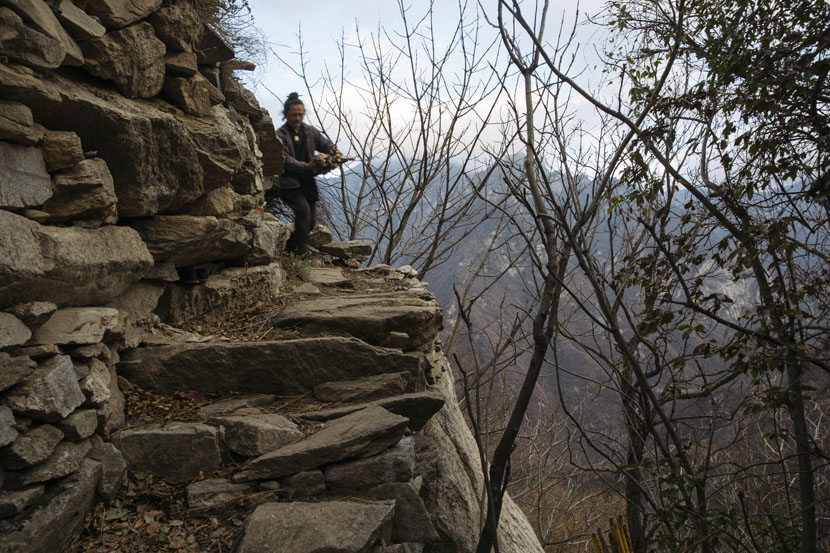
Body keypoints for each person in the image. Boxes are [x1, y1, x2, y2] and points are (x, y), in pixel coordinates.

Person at [266, 92, 336, 255]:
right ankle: (300, 250)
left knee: (310, 221)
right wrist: (306, 166)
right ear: (286, 115)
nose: (297, 118)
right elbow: (284, 159)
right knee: (303, 211)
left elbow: (326, 144)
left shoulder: (310, 132)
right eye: (294, 115)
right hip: (289, 183)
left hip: (307, 181)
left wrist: (333, 154)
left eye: (300, 114)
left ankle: (291, 246)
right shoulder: (280, 135)